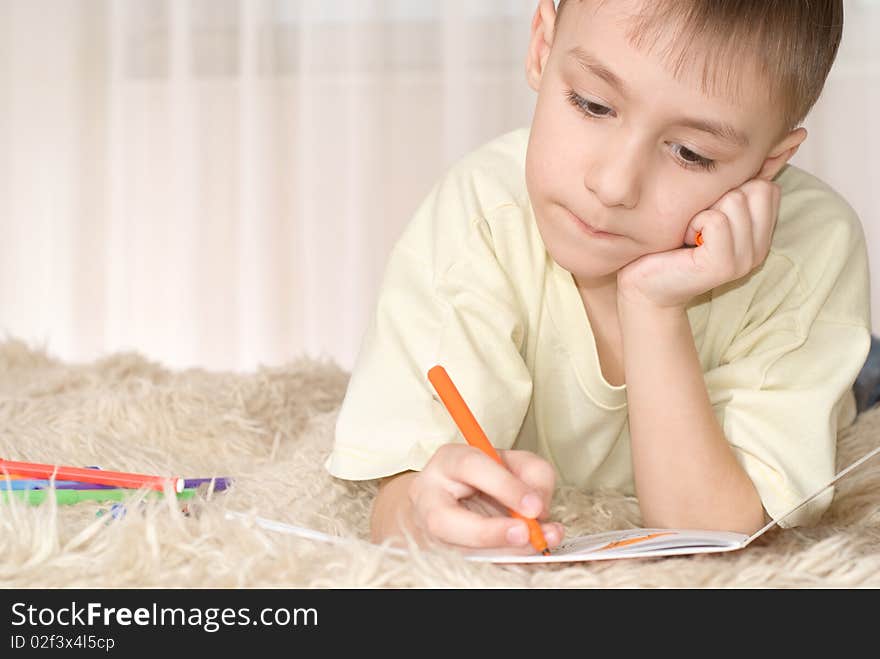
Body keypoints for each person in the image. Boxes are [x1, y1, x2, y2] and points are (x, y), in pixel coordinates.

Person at [324, 0, 871, 555]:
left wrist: (653, 304)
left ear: (767, 165)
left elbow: (714, 534)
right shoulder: (481, 221)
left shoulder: (810, 247)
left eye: (690, 152)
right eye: (592, 104)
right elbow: (399, 493)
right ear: (542, 45)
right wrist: (421, 508)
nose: (613, 186)